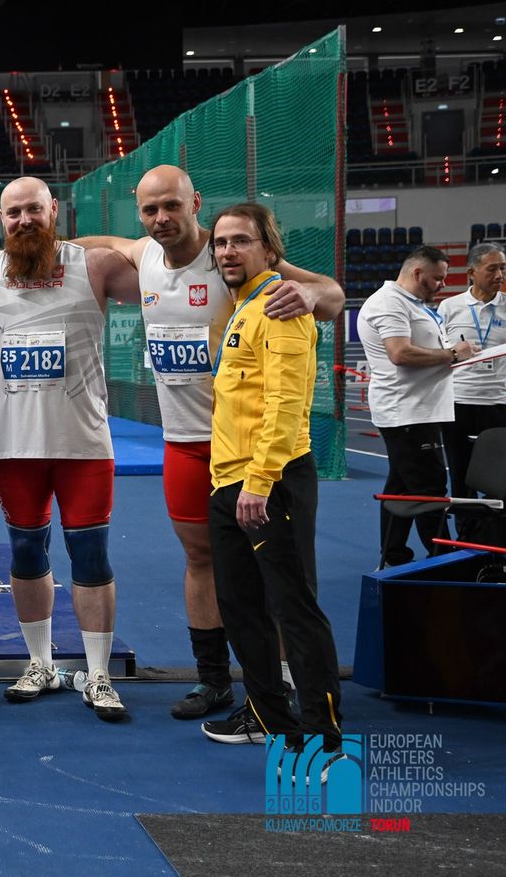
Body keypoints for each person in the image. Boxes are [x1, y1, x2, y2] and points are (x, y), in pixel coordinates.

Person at [72, 164, 343, 722]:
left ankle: (285, 684)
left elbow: (332, 295)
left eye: (172, 205)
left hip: (243, 446)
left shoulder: (229, 257)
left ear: (194, 203)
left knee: (274, 575)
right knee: (202, 561)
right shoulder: (145, 253)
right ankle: (214, 679)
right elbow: (96, 243)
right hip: (183, 444)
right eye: (150, 209)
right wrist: (31, 246)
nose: (161, 218)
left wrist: (311, 294)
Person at [0, 178, 139, 721]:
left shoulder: (94, 265)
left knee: (91, 556)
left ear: (54, 211)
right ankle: (40, 663)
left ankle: (99, 674)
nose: (24, 220)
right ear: (1, 219)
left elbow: (162, 268)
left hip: (82, 445)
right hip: (16, 448)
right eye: (13, 212)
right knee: (25, 554)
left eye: (34, 210)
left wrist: (108, 240)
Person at [199, 203, 341, 752]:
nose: (228, 251)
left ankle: (324, 737)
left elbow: (286, 405)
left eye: (241, 241)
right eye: (221, 243)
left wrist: (259, 481)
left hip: (271, 481)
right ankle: (268, 717)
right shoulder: (244, 307)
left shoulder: (282, 305)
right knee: (241, 609)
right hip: (227, 482)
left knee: (293, 608)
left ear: (269, 250)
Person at [360, 246, 478, 568]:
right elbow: (400, 353)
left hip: (418, 410)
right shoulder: (389, 303)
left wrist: (453, 354)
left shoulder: (411, 304)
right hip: (407, 412)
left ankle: (393, 554)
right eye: (438, 278)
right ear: (417, 273)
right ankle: (444, 561)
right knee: (429, 489)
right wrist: (452, 354)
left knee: (400, 488)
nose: (443, 284)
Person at [438, 243, 506, 541]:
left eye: (503, 268)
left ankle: (494, 536)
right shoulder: (449, 308)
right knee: (461, 474)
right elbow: (440, 354)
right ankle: (466, 538)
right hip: (457, 403)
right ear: (472, 272)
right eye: (492, 268)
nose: (500, 274)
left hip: (497, 403)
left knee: (502, 476)